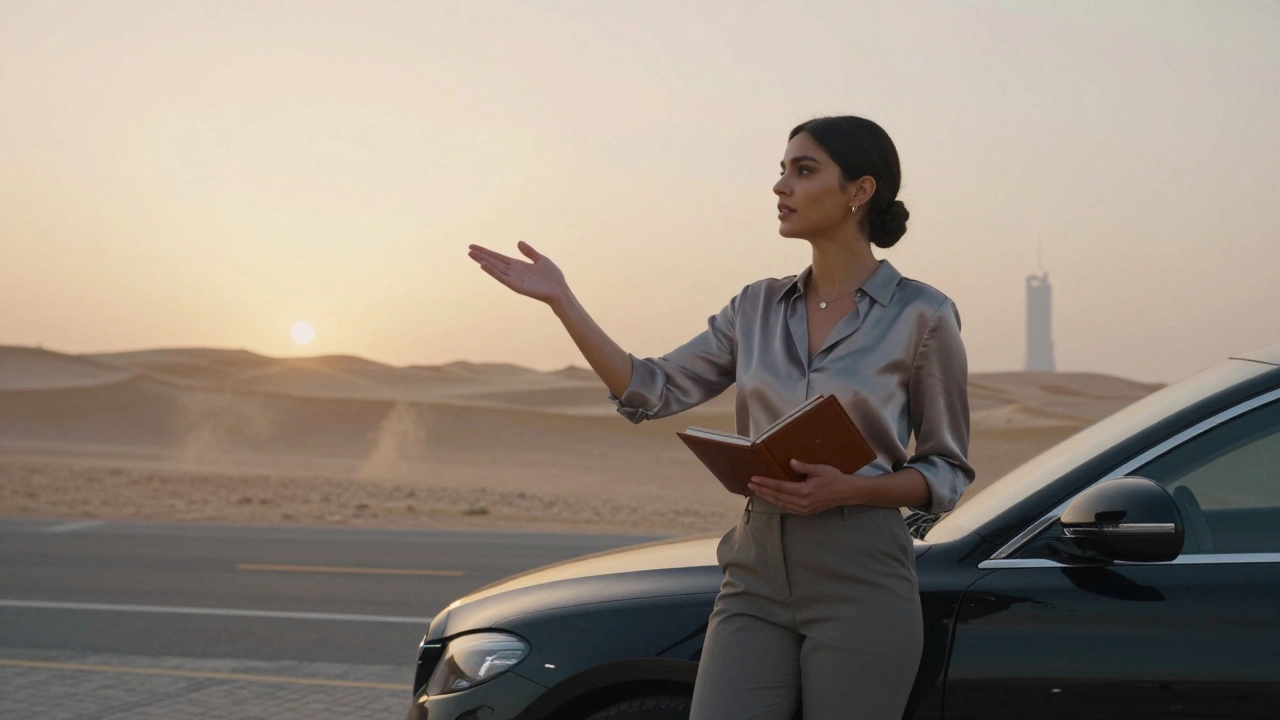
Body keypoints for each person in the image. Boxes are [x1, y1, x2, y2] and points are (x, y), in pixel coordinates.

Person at [466, 115, 973, 720]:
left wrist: (855, 489)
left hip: (861, 573)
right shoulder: (755, 306)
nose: (781, 186)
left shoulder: (923, 314)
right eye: (782, 170)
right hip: (755, 571)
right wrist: (562, 301)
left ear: (859, 191)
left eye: (803, 170)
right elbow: (651, 389)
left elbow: (946, 472)